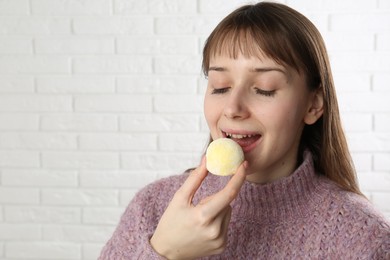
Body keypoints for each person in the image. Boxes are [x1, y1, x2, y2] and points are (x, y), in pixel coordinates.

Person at [99, 2, 390, 259]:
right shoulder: (153, 208)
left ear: (313, 105)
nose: (232, 107)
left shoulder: (364, 239)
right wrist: (164, 250)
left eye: (264, 89)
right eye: (220, 87)